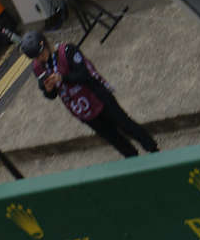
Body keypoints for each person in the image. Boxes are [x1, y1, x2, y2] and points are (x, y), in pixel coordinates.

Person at [22, 32, 159, 158]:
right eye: (36, 57)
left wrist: (62, 78)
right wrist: (48, 89)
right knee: (112, 137)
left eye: (41, 54)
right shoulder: (38, 67)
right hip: (81, 108)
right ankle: (133, 159)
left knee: (126, 125)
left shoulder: (68, 51)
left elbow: (84, 75)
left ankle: (153, 150)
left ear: (45, 44)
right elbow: (50, 95)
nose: (41, 58)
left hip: (98, 96)